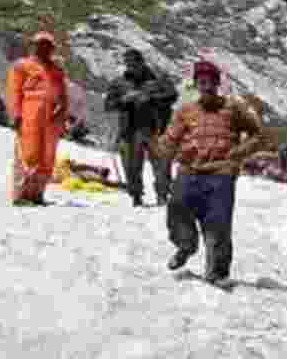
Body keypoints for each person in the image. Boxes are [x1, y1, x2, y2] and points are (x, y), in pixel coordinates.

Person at [154, 60, 265, 287]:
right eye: (201, 81)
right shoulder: (185, 111)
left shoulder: (233, 109)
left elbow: (257, 134)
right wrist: (162, 163)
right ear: (196, 84)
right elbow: (170, 141)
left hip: (221, 172)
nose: (205, 85)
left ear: (217, 83)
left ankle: (217, 270)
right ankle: (186, 245)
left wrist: (238, 153)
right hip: (189, 170)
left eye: (210, 81)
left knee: (218, 221)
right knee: (177, 206)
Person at [104, 48, 179, 207]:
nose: (132, 67)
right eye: (128, 64)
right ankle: (136, 196)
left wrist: (150, 98)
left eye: (134, 63)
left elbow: (172, 95)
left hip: (156, 129)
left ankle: (162, 195)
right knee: (131, 165)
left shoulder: (157, 79)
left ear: (141, 62)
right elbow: (108, 105)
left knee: (161, 164)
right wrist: (124, 100)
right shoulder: (119, 83)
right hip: (130, 130)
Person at [5, 29, 69, 206]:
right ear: (33, 46)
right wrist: (16, 115)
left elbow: (64, 96)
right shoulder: (21, 66)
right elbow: (14, 92)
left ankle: (37, 194)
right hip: (29, 113)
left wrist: (62, 115)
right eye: (40, 45)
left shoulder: (57, 70)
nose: (44, 49)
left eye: (48, 46)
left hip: (52, 117)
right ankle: (22, 195)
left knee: (47, 156)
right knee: (28, 153)